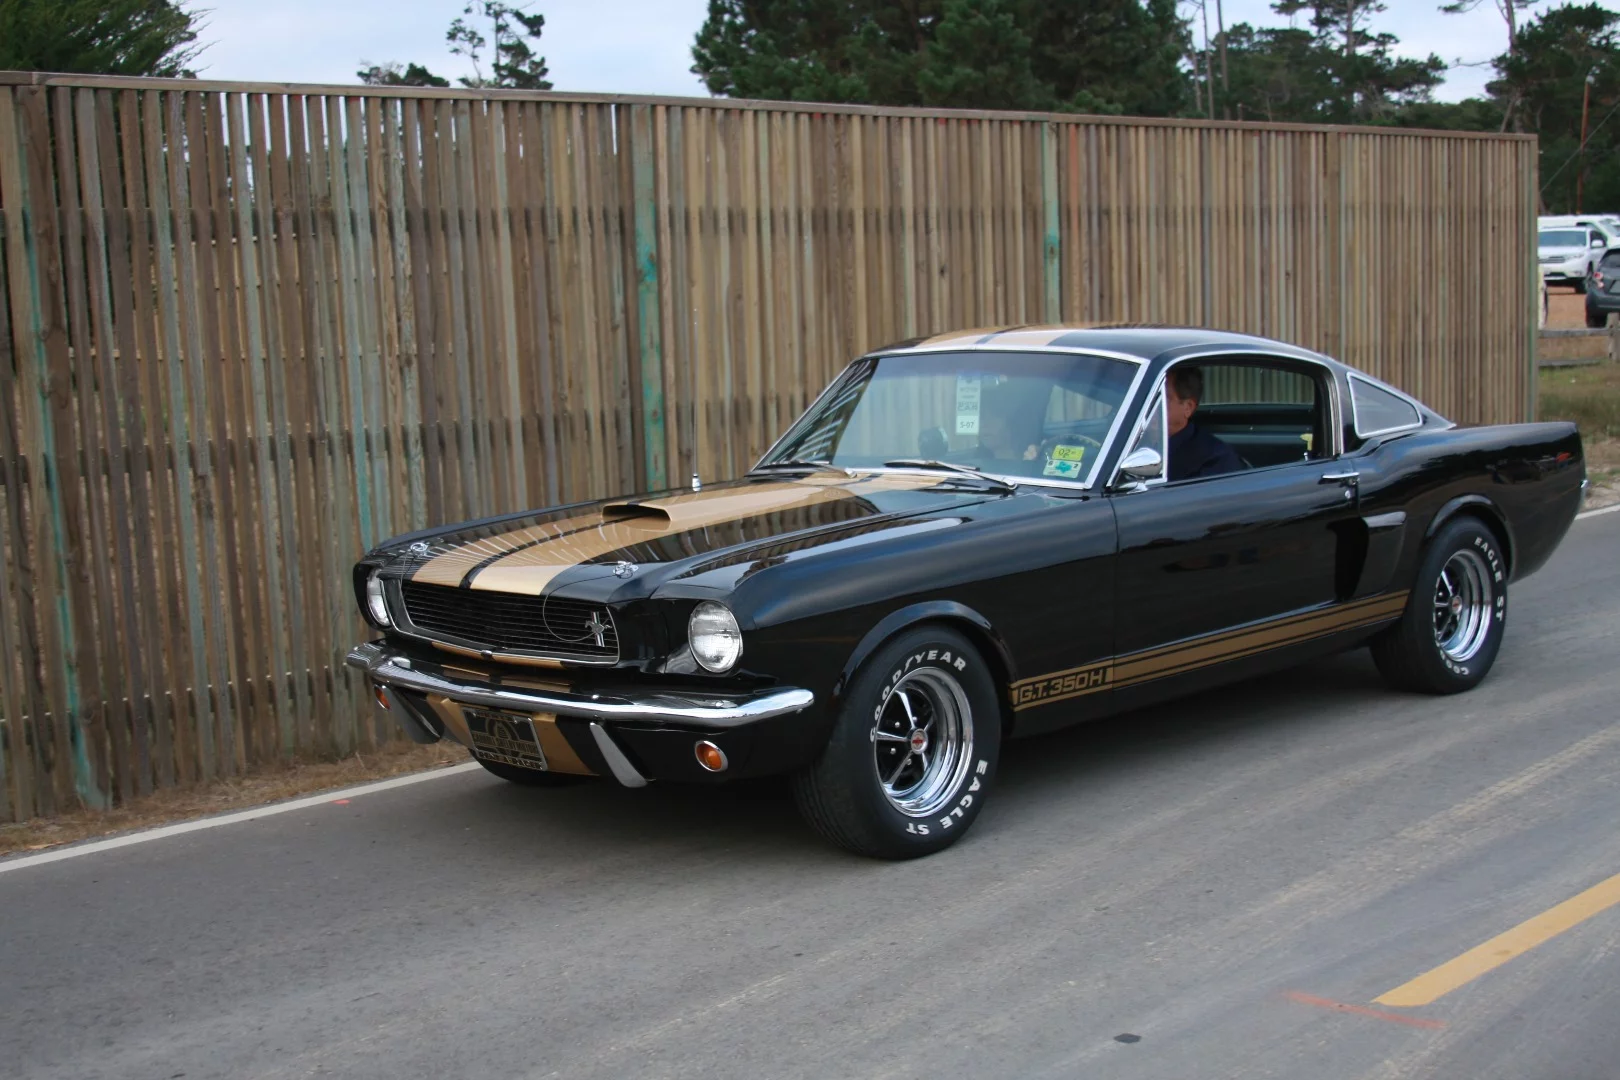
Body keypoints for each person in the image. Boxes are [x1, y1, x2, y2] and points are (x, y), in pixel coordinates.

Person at [1166, 366, 1243, 481]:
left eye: (1162, 400)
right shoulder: (1139, 440)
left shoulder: (1215, 460)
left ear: (1188, 407)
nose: (1151, 408)